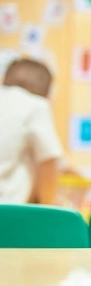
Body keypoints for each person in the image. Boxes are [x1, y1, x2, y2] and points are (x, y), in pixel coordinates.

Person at [0, 58, 63, 205]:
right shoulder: (37, 105)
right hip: (7, 213)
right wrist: (48, 210)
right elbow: (49, 159)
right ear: (47, 94)